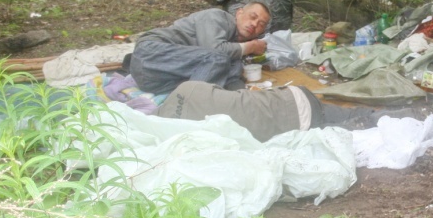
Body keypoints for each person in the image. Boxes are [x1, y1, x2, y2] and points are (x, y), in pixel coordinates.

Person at [157, 80, 383, 142]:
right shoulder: (187, 88)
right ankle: (401, 114)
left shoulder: (180, 136)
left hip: (295, 127)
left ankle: (347, 128)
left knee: (335, 130)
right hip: (294, 96)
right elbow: (231, 89)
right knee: (352, 114)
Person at [129, 2, 271, 94]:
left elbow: (231, 77)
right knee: (219, 58)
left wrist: (245, 96)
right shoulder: (217, 17)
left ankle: (186, 106)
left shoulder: (233, 47)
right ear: (239, 12)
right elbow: (215, 51)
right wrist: (251, 46)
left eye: (261, 24)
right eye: (252, 17)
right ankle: (187, 106)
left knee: (224, 75)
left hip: (157, 82)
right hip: (151, 53)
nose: (254, 24)